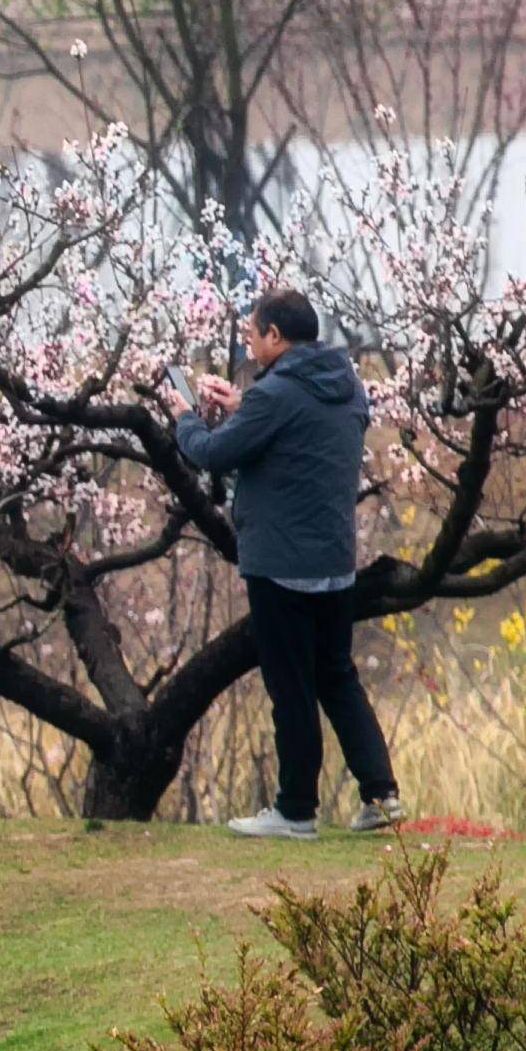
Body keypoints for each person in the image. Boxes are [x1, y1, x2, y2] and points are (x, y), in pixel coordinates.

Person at [174, 289, 399, 842]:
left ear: (277, 335)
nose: (248, 339)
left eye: (254, 331)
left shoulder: (274, 396)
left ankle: (296, 809)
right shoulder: (346, 385)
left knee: (291, 686)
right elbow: (300, 430)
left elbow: (212, 454)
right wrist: (242, 408)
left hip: (279, 563)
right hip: (334, 561)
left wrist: (185, 419)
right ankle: (381, 793)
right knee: (336, 676)